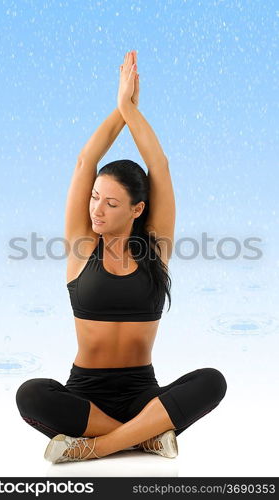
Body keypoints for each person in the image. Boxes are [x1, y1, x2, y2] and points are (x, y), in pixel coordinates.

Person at [15, 50, 227, 463]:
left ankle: (99, 446)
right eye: (95, 198)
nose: (96, 210)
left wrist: (132, 109)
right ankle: (145, 438)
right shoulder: (81, 247)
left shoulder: (155, 250)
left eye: (111, 203)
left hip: (143, 393)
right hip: (84, 395)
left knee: (212, 381)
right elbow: (84, 162)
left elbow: (159, 167)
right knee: (31, 394)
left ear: (137, 209)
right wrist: (119, 109)